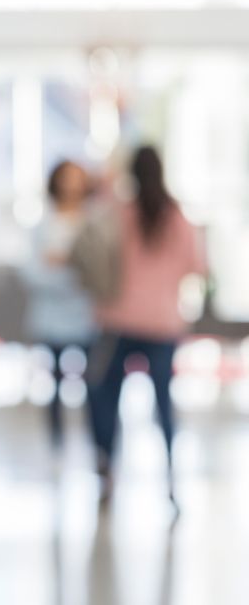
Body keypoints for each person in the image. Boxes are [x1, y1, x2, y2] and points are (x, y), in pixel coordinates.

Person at [86, 145, 206, 504]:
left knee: (104, 395)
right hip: (163, 324)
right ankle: (170, 477)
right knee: (163, 403)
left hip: (118, 320)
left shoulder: (120, 213)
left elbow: (95, 243)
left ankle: (107, 467)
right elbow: (197, 266)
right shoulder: (177, 218)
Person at [22, 160, 96, 447]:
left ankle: (94, 441)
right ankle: (56, 441)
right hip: (51, 313)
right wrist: (64, 276)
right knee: (53, 379)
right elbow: (31, 268)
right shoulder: (44, 223)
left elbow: (97, 270)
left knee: (92, 382)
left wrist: (66, 268)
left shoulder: (92, 222)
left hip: (86, 314)